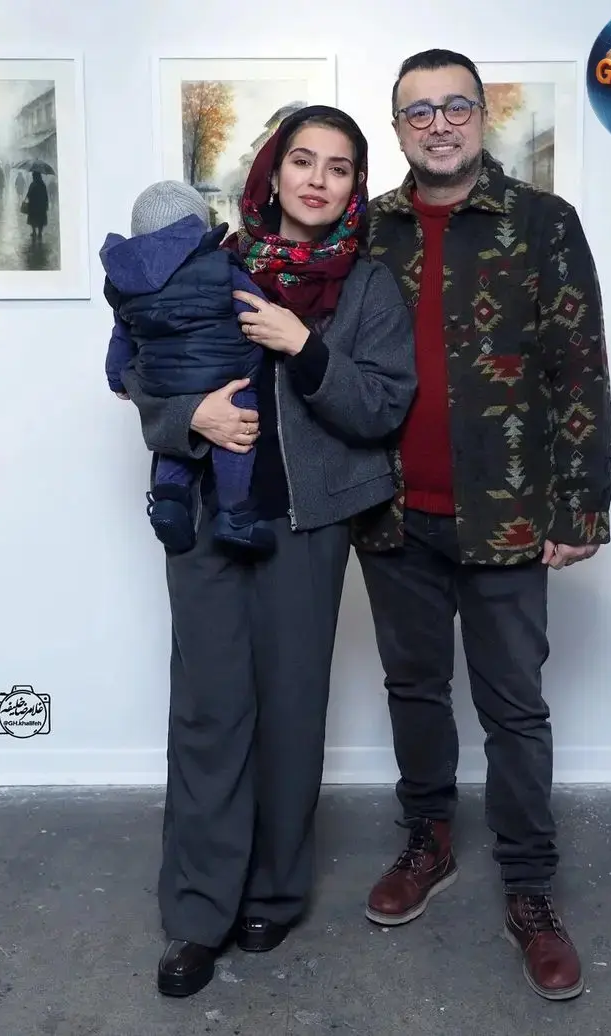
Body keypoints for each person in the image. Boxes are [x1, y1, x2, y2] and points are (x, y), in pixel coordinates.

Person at [118, 104, 417, 999]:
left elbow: (382, 407)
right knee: (210, 712)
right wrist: (191, 418)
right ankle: (197, 913)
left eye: (338, 166)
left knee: (291, 708)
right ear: (272, 172)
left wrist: (304, 347)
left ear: (355, 187)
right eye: (302, 160)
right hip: (207, 516)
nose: (317, 179)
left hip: (307, 525)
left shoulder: (368, 287)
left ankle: (273, 894)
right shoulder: (212, 261)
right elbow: (142, 368)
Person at [352, 49, 611, 1001]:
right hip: (391, 513)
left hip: (507, 516)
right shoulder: (368, 230)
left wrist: (582, 504)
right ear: (398, 129)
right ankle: (427, 840)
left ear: (481, 115)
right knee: (414, 690)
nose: (439, 124)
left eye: (455, 105)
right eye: (418, 111)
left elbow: (579, 367)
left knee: (514, 708)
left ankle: (530, 889)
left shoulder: (542, 222)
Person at [100, 180, 275, 554]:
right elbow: (255, 309)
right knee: (236, 433)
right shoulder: (220, 265)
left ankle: (169, 499)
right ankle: (235, 515)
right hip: (227, 375)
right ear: (198, 227)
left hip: (163, 383)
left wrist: (117, 378)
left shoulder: (126, 281)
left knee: (176, 439)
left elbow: (122, 337)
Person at [24, 170, 48, 239]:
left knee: (33, 218)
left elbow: (29, 194)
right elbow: (46, 195)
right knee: (41, 219)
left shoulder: (33, 184)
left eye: (33, 176)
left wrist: (27, 197)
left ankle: (34, 231)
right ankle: (40, 232)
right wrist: (46, 203)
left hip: (33, 205)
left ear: (35, 176)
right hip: (41, 205)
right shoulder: (42, 184)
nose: (32, 177)